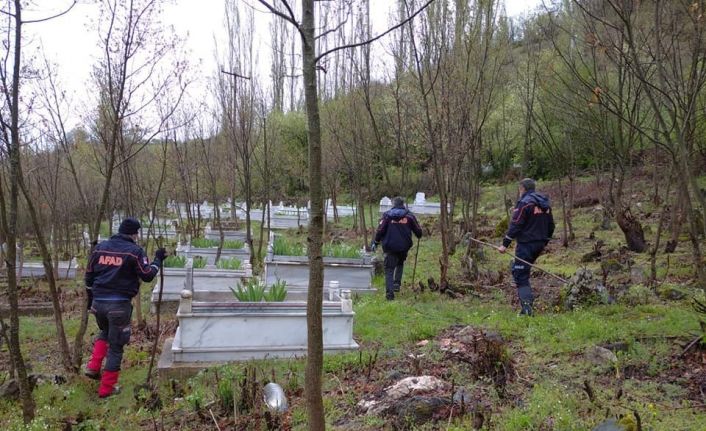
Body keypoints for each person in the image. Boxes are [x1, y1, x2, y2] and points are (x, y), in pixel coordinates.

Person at [84, 217, 166, 398]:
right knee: (116, 345)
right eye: (137, 233)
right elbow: (147, 275)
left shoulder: (99, 248)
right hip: (119, 306)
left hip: (99, 304)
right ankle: (107, 389)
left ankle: (93, 367)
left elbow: (88, 277)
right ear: (134, 234)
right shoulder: (134, 251)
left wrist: (91, 302)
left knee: (105, 332)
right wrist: (157, 260)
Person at [499, 178, 555, 316]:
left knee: (520, 274)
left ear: (522, 188)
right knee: (523, 270)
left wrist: (504, 244)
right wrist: (545, 240)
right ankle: (526, 307)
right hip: (540, 243)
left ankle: (527, 310)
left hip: (526, 245)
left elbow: (516, 224)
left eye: (519, 189)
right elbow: (551, 225)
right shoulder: (544, 204)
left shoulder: (524, 203)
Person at [371, 197, 423, 300]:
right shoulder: (409, 216)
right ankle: (396, 284)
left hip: (390, 246)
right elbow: (418, 232)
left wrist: (375, 242)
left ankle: (390, 295)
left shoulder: (387, 216)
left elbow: (380, 230)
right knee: (400, 262)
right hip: (404, 246)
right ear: (403, 204)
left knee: (389, 269)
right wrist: (419, 234)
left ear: (393, 204)